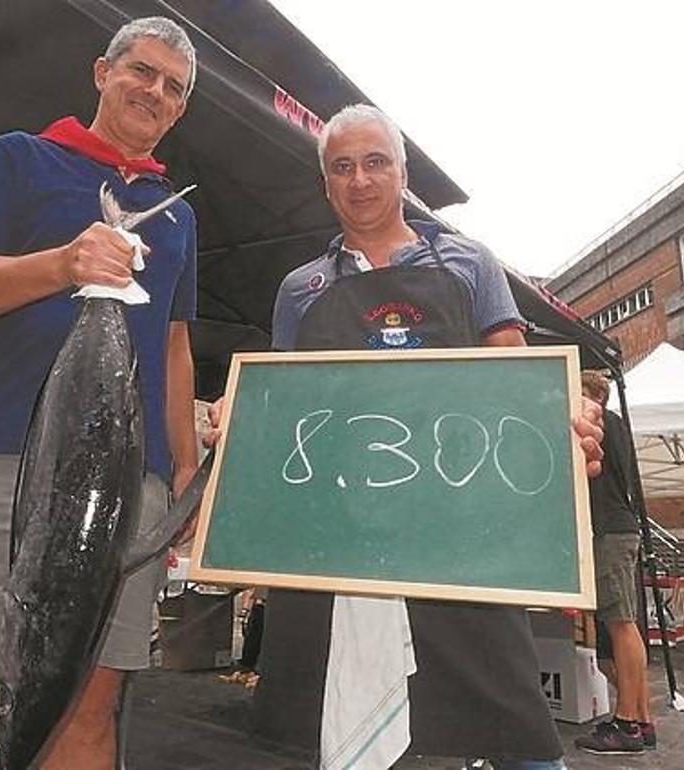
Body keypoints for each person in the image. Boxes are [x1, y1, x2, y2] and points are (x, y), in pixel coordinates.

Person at [231, 104, 603, 770]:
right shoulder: (300, 289)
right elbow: (285, 412)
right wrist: (238, 427)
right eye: (342, 167)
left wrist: (567, 415)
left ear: (403, 172)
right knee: (346, 737)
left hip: (459, 542)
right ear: (326, 183)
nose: (361, 180)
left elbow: (518, 388)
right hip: (340, 546)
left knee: (515, 733)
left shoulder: (469, 263)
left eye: (376, 162)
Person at [0, 17, 200, 769]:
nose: (154, 92)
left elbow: (177, 345)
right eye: (141, 72)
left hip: (125, 487)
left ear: (180, 110)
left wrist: (184, 468)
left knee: (89, 712)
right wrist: (64, 264)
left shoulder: (178, 213)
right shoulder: (19, 158)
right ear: (101, 72)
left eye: (172, 87)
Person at [574, 371, 654, 755]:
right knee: (625, 627)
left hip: (610, 530)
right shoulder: (618, 425)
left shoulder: (601, 421)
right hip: (619, 529)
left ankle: (626, 725)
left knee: (622, 626)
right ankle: (641, 719)